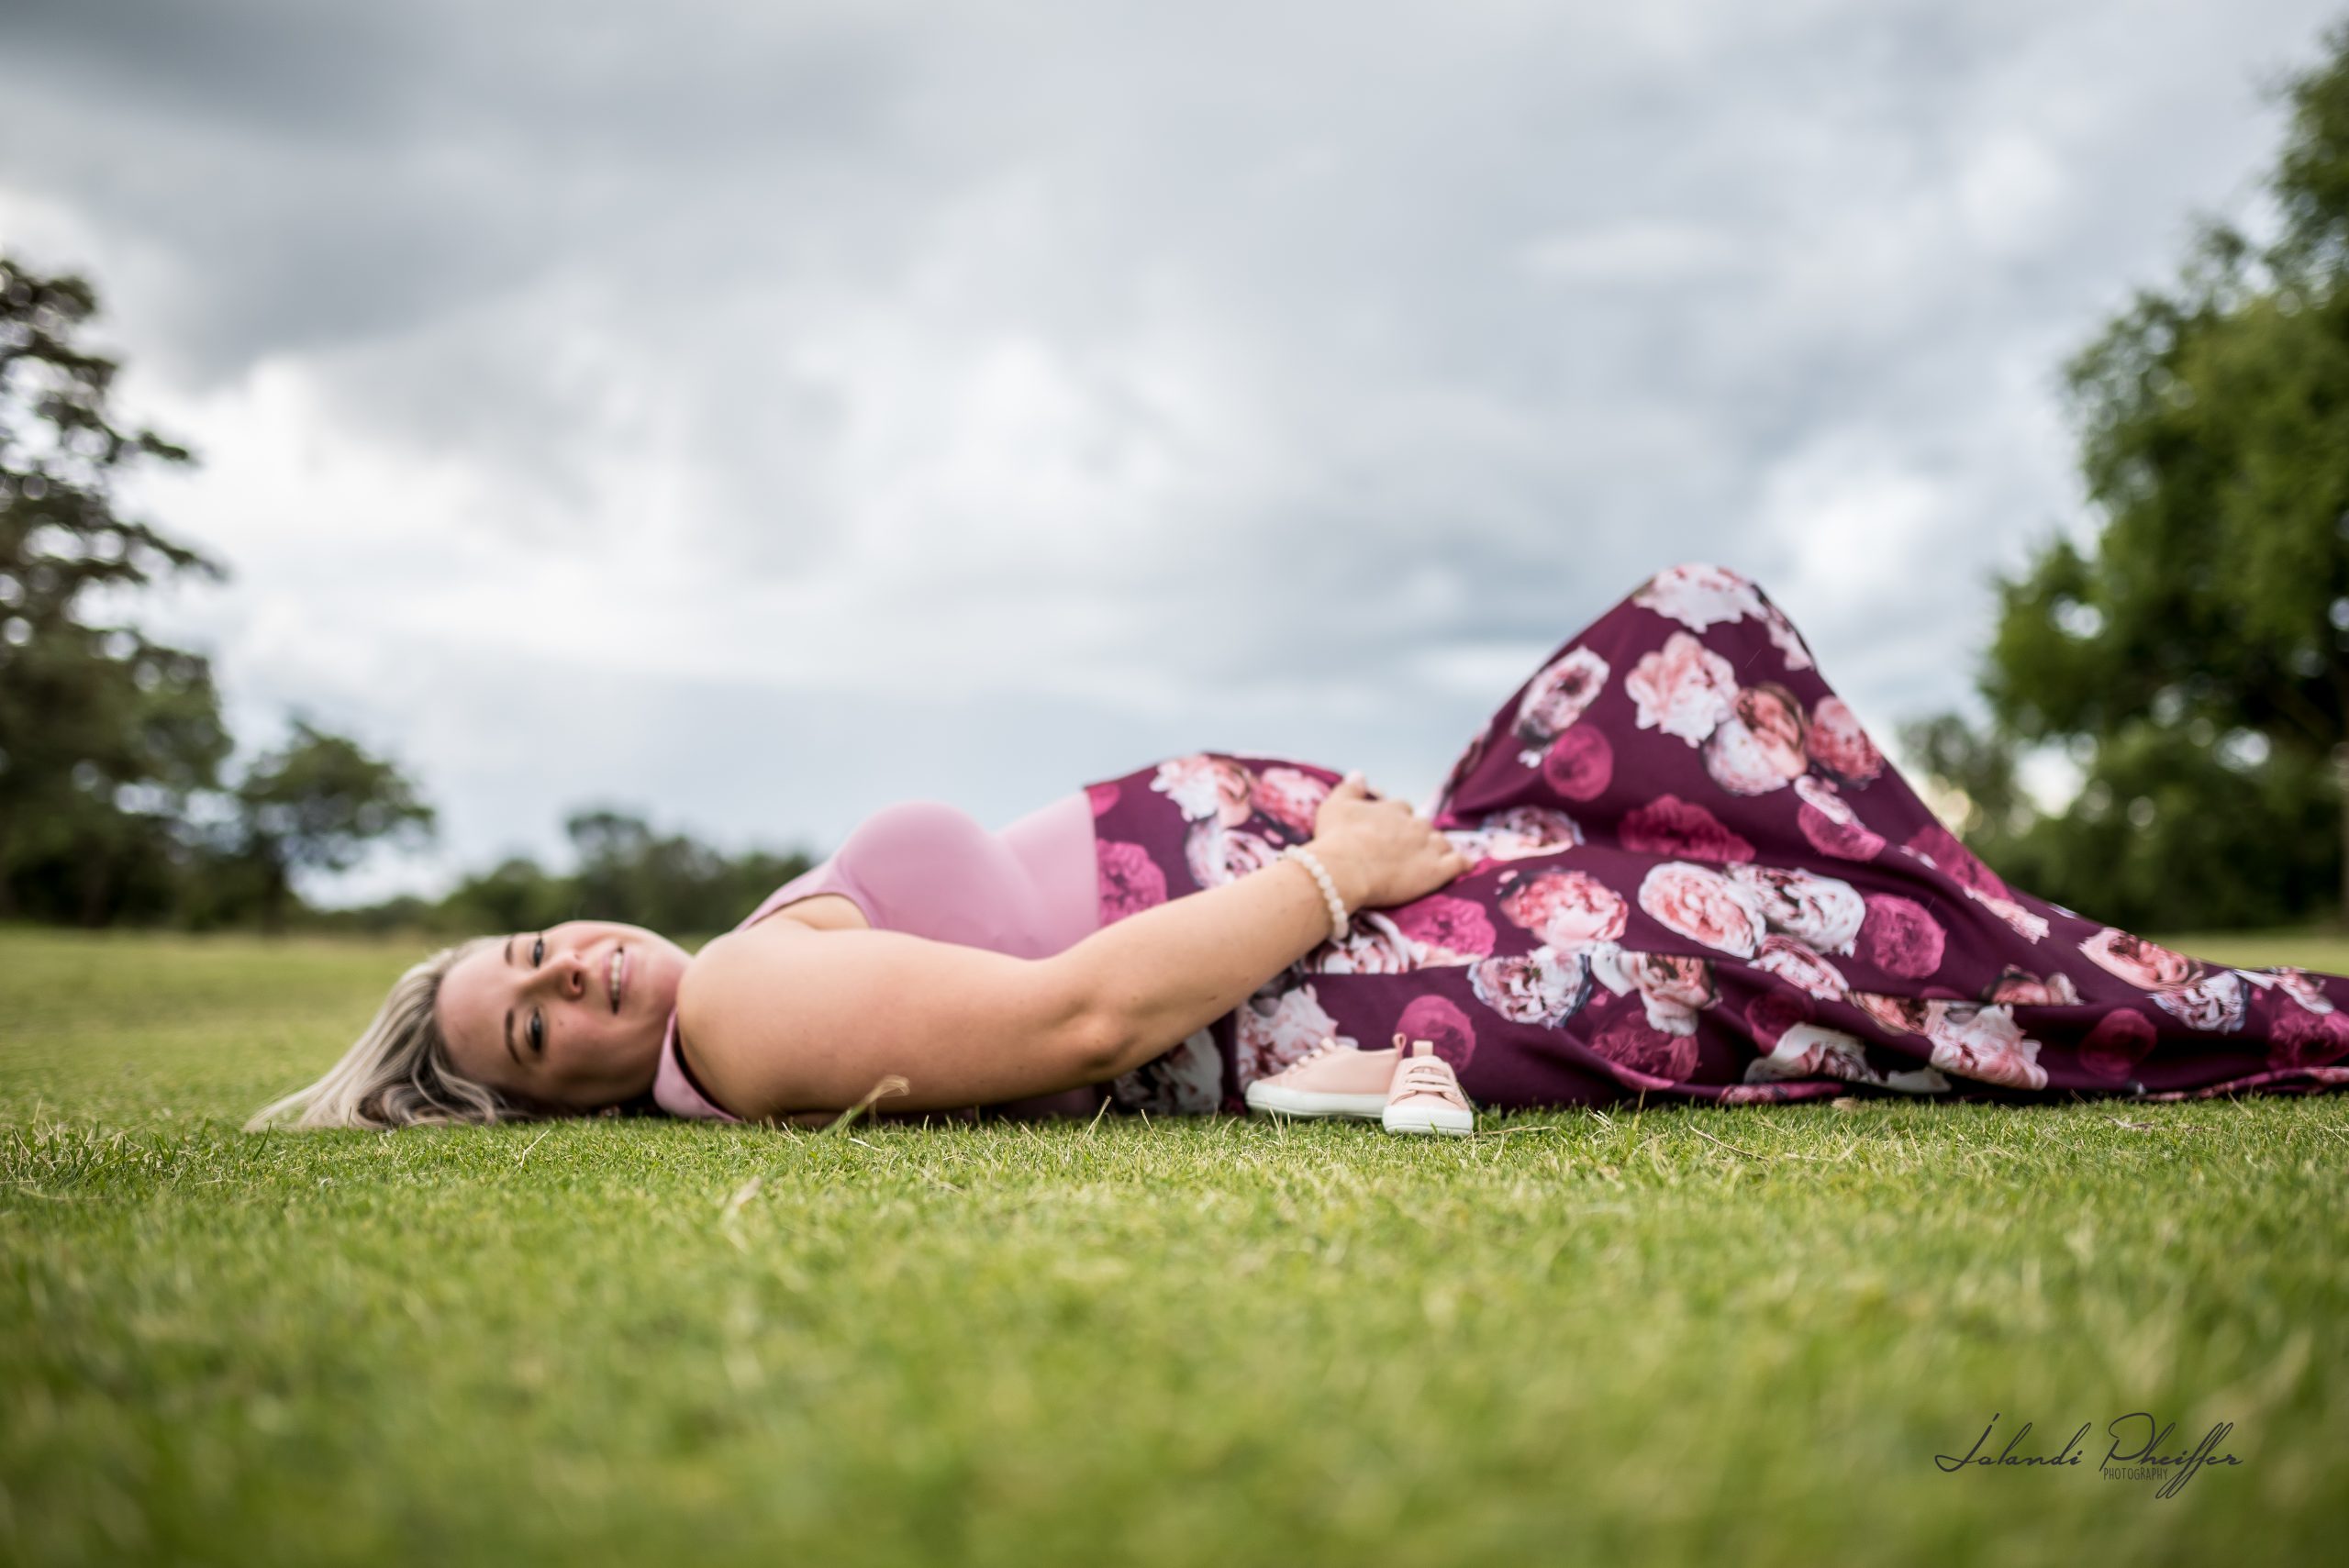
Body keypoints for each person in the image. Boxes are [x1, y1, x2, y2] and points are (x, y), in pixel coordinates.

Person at [247, 562, 2349, 1136]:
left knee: (1685, 668)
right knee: (1804, 940)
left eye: (531, 950)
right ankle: (2236, 1019)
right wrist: (1338, 874)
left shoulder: (727, 966)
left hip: (1356, 899)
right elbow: (1074, 1022)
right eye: (535, 1028)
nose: (569, 972)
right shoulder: (748, 1018)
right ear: (548, 1099)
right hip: (1344, 950)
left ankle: (2050, 948)